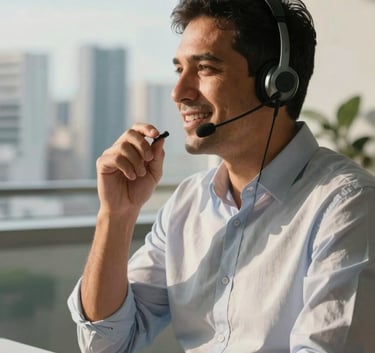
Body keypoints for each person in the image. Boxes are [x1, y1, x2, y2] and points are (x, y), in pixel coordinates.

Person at [68, 0, 375, 352]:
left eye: (205, 68)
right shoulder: (189, 203)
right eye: (179, 69)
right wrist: (115, 216)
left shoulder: (349, 205)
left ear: (276, 84)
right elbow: (105, 344)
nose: (178, 92)